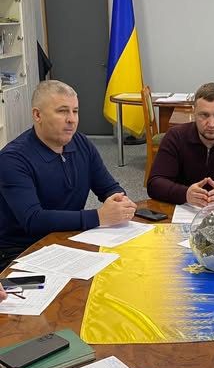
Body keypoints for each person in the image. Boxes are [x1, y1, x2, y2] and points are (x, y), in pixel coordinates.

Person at [0, 80, 137, 271]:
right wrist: (98, 216)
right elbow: (33, 219)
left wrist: (118, 200)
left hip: (69, 237)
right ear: (37, 115)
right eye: (62, 111)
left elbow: (108, 187)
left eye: (75, 111)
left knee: (127, 267)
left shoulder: (80, 142)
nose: (72, 119)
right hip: (23, 251)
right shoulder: (13, 159)